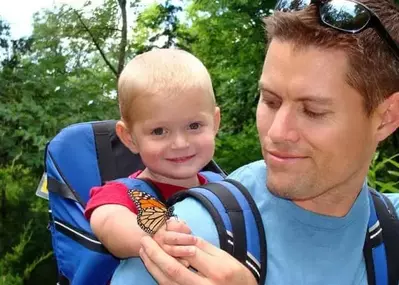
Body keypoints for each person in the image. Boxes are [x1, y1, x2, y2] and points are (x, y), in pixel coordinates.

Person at [111, 0, 399, 284]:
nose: (276, 132)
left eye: (313, 111)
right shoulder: (190, 241)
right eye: (270, 101)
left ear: (386, 117)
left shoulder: (391, 230)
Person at [84, 48, 221, 258]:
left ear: (215, 123)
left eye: (194, 125)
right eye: (159, 131)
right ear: (129, 138)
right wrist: (153, 238)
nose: (180, 143)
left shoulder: (223, 185)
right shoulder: (121, 194)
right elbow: (108, 222)